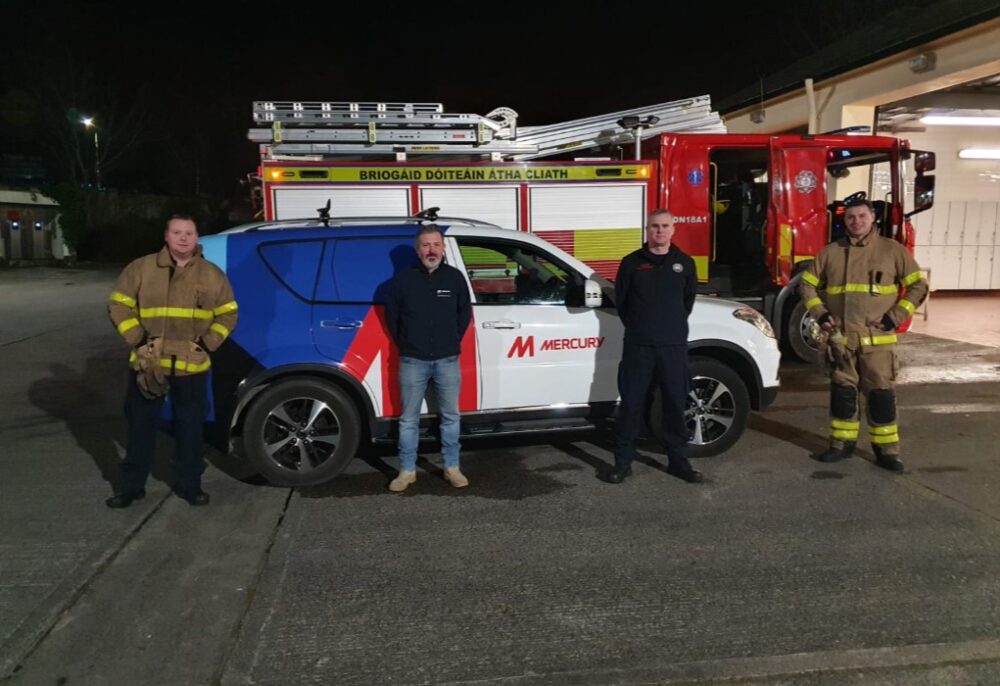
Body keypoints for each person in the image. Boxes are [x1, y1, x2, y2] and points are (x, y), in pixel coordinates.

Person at [105, 215, 238, 508]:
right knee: (140, 427)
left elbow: (228, 313)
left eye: (188, 233)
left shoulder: (212, 274)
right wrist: (139, 341)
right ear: (166, 236)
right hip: (147, 363)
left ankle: (190, 486)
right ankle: (130, 488)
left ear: (196, 237)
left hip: (191, 366)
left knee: (190, 429)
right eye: (177, 232)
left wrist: (206, 344)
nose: (183, 238)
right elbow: (118, 304)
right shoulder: (140, 268)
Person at [799, 199, 928, 471]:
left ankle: (887, 452)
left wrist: (895, 316)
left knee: (881, 397)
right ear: (844, 221)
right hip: (841, 341)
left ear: (873, 219)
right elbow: (806, 286)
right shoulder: (830, 252)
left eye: (862, 216)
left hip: (877, 344)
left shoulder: (892, 251)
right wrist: (820, 314)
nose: (856, 222)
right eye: (850, 218)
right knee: (842, 395)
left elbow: (918, 285)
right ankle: (840, 445)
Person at [606, 208, 702, 484]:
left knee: (674, 402)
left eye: (664, 226)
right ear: (646, 230)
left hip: (672, 346)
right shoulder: (631, 263)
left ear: (673, 230)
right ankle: (622, 463)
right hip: (639, 346)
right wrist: (641, 327)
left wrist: (667, 328)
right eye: (654, 226)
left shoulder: (684, 263)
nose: (659, 231)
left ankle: (678, 460)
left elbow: (687, 302)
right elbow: (622, 303)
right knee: (631, 404)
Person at [384, 224, 472, 492]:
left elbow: (463, 315)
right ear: (417, 249)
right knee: (408, 420)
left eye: (436, 244)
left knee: (450, 417)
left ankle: (452, 467)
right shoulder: (401, 281)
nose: (431, 250)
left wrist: (450, 341)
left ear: (443, 248)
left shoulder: (455, 278)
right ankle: (407, 470)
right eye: (425, 245)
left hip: (447, 360)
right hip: (413, 360)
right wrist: (410, 344)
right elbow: (392, 319)